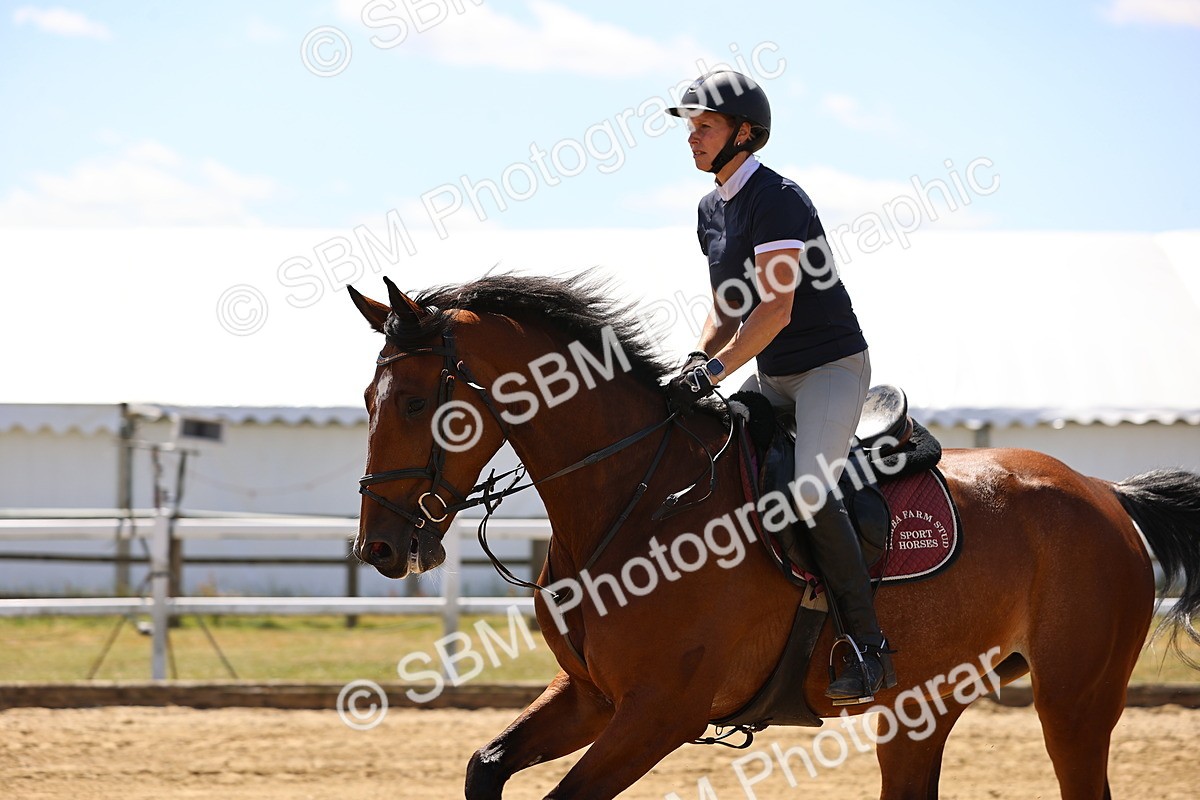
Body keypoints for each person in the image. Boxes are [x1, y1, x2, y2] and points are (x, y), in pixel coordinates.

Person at [665, 70, 895, 704]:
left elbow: (774, 309)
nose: (692, 139)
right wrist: (694, 360)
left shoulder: (779, 198)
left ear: (743, 132)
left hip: (828, 370)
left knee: (811, 487)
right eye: (690, 128)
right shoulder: (711, 207)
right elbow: (726, 308)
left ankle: (868, 646)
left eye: (704, 127)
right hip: (771, 374)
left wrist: (717, 371)